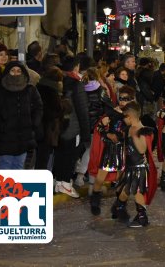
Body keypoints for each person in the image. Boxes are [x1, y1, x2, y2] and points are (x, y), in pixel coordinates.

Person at [87, 85, 134, 215]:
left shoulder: (132, 115)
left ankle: (119, 206)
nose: (124, 101)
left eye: (127, 99)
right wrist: (108, 135)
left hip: (124, 150)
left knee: (122, 179)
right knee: (100, 178)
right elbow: (100, 128)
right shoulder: (111, 113)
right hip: (110, 149)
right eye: (122, 98)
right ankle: (95, 200)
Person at [0, 61, 43, 169]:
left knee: (19, 166)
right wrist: (1, 125)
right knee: (5, 166)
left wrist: (33, 123)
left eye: (19, 71)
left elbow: (38, 107)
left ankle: (15, 186)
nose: (16, 73)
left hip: (24, 136)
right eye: (13, 71)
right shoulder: (0, 90)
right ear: (7, 72)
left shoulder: (30, 90)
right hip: (5, 137)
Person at [113, 101, 158, 228]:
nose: (123, 120)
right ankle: (119, 209)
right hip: (130, 166)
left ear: (130, 117)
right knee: (124, 191)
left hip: (139, 168)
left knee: (137, 192)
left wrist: (134, 136)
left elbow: (143, 149)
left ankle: (142, 217)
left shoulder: (141, 130)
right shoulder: (130, 128)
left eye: (124, 117)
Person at [54, 55, 90, 198]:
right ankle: (65, 183)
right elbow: (82, 109)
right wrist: (86, 132)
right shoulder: (76, 83)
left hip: (59, 127)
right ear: (76, 67)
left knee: (60, 154)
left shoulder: (58, 81)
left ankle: (59, 182)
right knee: (70, 156)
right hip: (73, 127)